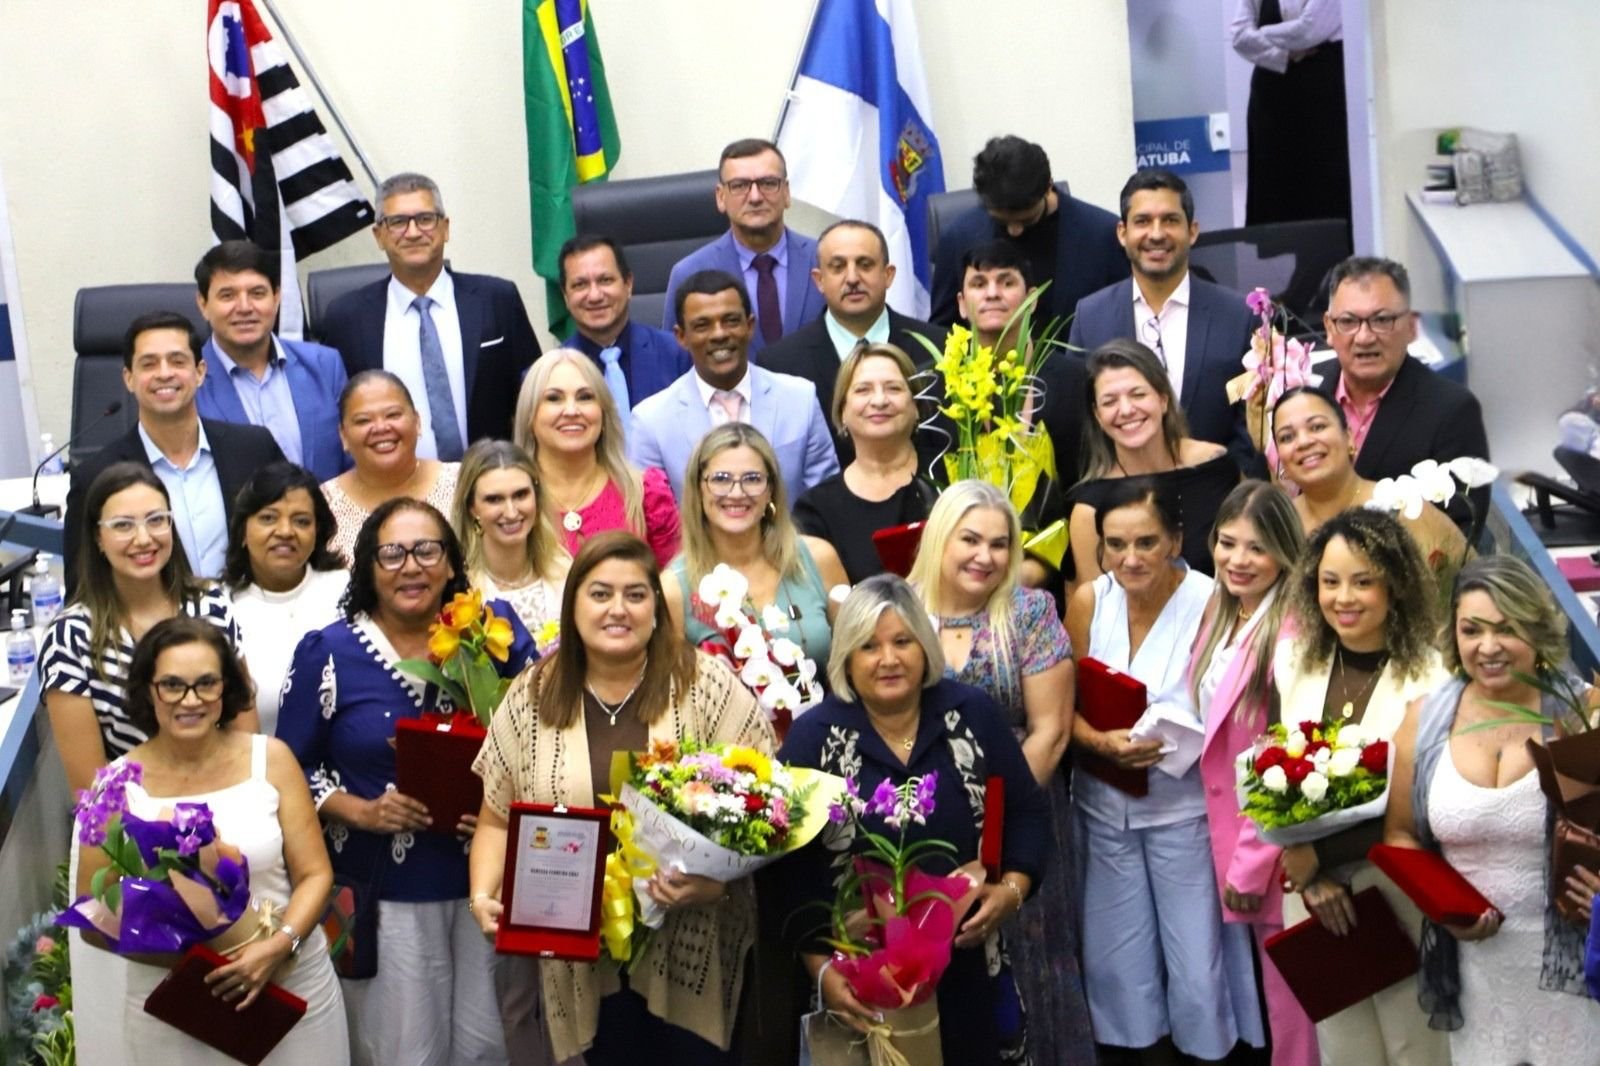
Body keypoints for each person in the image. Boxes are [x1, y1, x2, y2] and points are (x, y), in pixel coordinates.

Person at [468, 531, 775, 1065]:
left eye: (636, 594)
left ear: (657, 606)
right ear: (574, 606)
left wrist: (712, 885)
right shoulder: (532, 694)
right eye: (600, 593)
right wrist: (481, 895)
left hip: (691, 944)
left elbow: (770, 813)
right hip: (577, 956)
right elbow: (496, 818)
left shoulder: (708, 687)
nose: (619, 609)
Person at [277, 498, 536, 1066]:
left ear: (451, 565)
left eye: (427, 550)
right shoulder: (331, 653)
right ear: (367, 566)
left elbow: (545, 742)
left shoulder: (494, 637)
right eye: (392, 553)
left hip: (486, 887)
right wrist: (353, 808)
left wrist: (504, 808)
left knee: (488, 1046)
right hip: (382, 890)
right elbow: (286, 765)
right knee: (403, 1051)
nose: (410, 566)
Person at [780, 574, 1051, 1064]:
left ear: (925, 647)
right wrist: (821, 969)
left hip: (968, 963)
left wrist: (1012, 890)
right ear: (846, 657)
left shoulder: (971, 714)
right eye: (868, 646)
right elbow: (788, 869)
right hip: (859, 977)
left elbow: (1028, 811)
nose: (888, 659)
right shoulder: (812, 739)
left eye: (902, 641)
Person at [38, 462, 251, 1066]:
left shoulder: (213, 607)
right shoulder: (72, 634)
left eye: (157, 519)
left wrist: (226, 839)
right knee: (150, 1030)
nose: (144, 537)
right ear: (97, 538)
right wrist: (166, 857)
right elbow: (91, 789)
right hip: (127, 846)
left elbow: (244, 731)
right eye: (124, 524)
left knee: (242, 1015)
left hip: (231, 824)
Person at [77, 617, 348, 1064]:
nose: (191, 700)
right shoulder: (113, 785)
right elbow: (93, 912)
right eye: (172, 685)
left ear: (227, 690)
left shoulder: (272, 759)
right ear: (148, 690)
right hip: (179, 1005)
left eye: (206, 684)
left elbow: (316, 874)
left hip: (289, 987)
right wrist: (191, 960)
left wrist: (279, 946)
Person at [1065, 478, 1262, 1063]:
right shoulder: (1087, 602)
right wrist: (1099, 742)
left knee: (1197, 965)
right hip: (1103, 809)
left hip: (1186, 813)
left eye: (1147, 542)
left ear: (1176, 539)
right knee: (1117, 967)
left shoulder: (1212, 600)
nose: (1130, 558)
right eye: (1116, 544)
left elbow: (1237, 711)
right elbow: (1059, 705)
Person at [906, 481, 1095, 1065]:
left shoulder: (1029, 612)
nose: (983, 556)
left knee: (1031, 967)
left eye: (998, 544)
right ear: (940, 537)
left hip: (1019, 824)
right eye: (969, 539)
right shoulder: (897, 609)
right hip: (916, 827)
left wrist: (992, 822)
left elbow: (1051, 731)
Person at [1384, 555, 1600, 1064]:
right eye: (1471, 629)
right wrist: (1442, 905)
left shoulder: (1582, 714)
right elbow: (1400, 835)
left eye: (1508, 629)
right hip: (1475, 970)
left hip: (1572, 969)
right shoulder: (1425, 718)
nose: (1488, 647)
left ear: (1539, 630)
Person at [1274, 507, 1450, 1066]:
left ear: (1395, 584)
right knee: (1344, 1050)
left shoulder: (1433, 676)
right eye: (1329, 582)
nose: (1343, 597)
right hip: (1314, 897)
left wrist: (1317, 855)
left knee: (1415, 1048)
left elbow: (1428, 808)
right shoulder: (1296, 662)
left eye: (1362, 581)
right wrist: (1306, 865)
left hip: (1396, 891)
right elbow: (1276, 781)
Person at [1188, 480, 1319, 1066]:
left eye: (1256, 548)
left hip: (1269, 852)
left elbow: (1286, 754)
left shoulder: (1291, 631)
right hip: (1226, 835)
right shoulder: (1225, 612)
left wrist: (1251, 860)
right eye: (1227, 542)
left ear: (1285, 554)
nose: (1237, 560)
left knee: (1297, 1014)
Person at [318, 172, 541, 459]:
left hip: (489, 486)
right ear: (379, 235)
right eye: (397, 222)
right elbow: (338, 420)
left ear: (445, 228)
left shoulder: (497, 299)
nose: (412, 232)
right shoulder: (346, 318)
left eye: (425, 219)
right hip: (393, 492)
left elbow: (533, 398)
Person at [65, 311, 285, 589]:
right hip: (154, 629)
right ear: (129, 378)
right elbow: (81, 586)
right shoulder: (95, 476)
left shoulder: (254, 448)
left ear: (200, 372)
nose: (165, 373)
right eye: (149, 364)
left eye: (177, 361)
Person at [1067, 169, 1258, 470]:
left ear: (1192, 231)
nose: (1156, 234)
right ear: (1122, 233)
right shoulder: (1090, 317)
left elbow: (1252, 426)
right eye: (1142, 221)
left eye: (1170, 220)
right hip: (1123, 501)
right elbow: (1079, 425)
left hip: (1219, 500)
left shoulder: (1238, 316)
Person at [629, 269, 839, 501]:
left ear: (750, 326)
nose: (719, 334)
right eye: (702, 325)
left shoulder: (800, 400)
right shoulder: (651, 421)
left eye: (730, 321)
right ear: (681, 337)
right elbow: (656, 520)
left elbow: (824, 502)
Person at [662, 423, 847, 672]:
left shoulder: (819, 558)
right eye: (721, 479)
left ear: (771, 489)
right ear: (698, 489)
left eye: (752, 479)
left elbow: (854, 661)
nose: (737, 493)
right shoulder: (673, 588)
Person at [1317, 257, 1489, 524]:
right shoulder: (1305, 390)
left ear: (1410, 326)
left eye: (1382, 320)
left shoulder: (1452, 411)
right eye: (1349, 321)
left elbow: (1461, 533)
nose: (1364, 337)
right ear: (1329, 327)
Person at [760, 219, 942, 465]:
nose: (853, 278)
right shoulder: (780, 365)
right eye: (838, 267)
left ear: (888, 275)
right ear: (819, 280)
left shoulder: (939, 348)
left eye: (865, 265)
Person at [1068, 339, 1240, 584]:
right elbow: (1093, 608)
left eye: (1138, 394)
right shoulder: (1088, 509)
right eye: (1109, 402)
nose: (1126, 410)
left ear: (1163, 399)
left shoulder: (1218, 466)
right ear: (1097, 414)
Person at [929, 135, 1126, 330]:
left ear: (1048, 187)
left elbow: (1121, 320)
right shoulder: (958, 237)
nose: (1015, 231)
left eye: (1026, 220)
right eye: (1002, 221)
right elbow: (941, 331)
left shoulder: (1102, 235)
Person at [193, 240, 350, 481]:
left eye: (257, 293)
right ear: (203, 305)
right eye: (228, 295)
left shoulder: (325, 365)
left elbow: (355, 456)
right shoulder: (190, 382)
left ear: (276, 298)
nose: (244, 307)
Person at [512, 348, 681, 567]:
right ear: (529, 415)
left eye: (585, 397)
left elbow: (674, 589)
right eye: (554, 398)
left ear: (603, 413)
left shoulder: (645, 493)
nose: (572, 410)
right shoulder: (509, 499)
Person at [661, 138, 826, 356]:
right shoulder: (689, 272)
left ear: (786, 193)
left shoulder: (825, 260)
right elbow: (675, 361)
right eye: (740, 186)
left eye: (768, 183)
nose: (756, 197)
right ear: (721, 197)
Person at [794, 343, 941, 583]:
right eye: (863, 390)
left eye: (893, 388)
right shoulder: (816, 509)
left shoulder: (951, 471)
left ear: (916, 407)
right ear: (842, 410)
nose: (880, 400)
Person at [1271, 386, 1465, 565]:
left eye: (1317, 427)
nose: (1303, 442)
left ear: (1349, 438)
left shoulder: (1403, 508)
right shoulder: (1278, 524)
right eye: (1287, 437)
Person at [223, 462, 348, 737]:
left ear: (319, 532)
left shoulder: (347, 591)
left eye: (301, 521)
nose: (285, 531)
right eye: (268, 518)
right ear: (243, 531)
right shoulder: (220, 608)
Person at [956, 239, 1090, 491]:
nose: (992, 293)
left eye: (1007, 282)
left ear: (1032, 298)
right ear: (962, 304)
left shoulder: (1076, 381)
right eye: (979, 284)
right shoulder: (938, 384)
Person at [1230, 0, 1350, 235]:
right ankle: (1295, 260)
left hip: (1321, 95)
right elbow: (1239, 35)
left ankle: (1327, 262)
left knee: (1323, 188)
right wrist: (1285, 53)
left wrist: (1261, 34)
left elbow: (1309, 29)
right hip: (1271, 99)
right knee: (1275, 189)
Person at [322, 370, 459, 563]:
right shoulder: (323, 504)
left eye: (393, 415)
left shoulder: (462, 483)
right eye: (363, 421)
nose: (381, 428)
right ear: (343, 435)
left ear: (417, 422)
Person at [557, 234, 691, 429]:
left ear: (628, 284)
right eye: (580, 285)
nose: (594, 295)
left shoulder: (678, 354)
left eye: (605, 280)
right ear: (565, 296)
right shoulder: (549, 375)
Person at [450, 439, 567, 633]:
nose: (511, 512)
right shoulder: (459, 589)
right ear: (471, 507)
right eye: (494, 499)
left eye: (521, 495)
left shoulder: (566, 573)